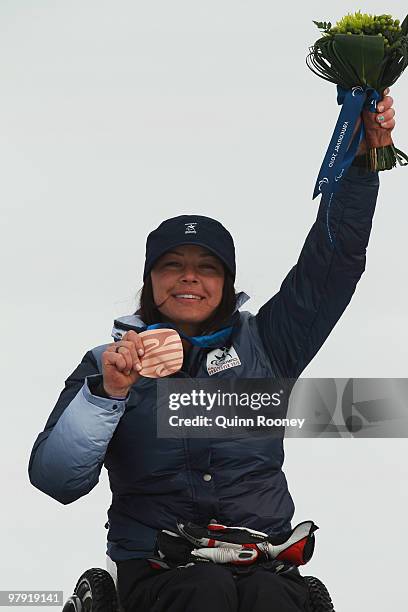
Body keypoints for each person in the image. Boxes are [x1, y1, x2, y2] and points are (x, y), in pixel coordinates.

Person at [28, 91, 396, 612]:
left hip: (263, 560)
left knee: (269, 597)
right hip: (158, 568)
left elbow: (332, 264)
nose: (190, 278)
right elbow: (55, 479)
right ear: (150, 279)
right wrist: (108, 396)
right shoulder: (109, 365)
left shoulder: (269, 344)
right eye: (173, 265)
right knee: (204, 591)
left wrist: (363, 163)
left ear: (226, 283)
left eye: (207, 267)